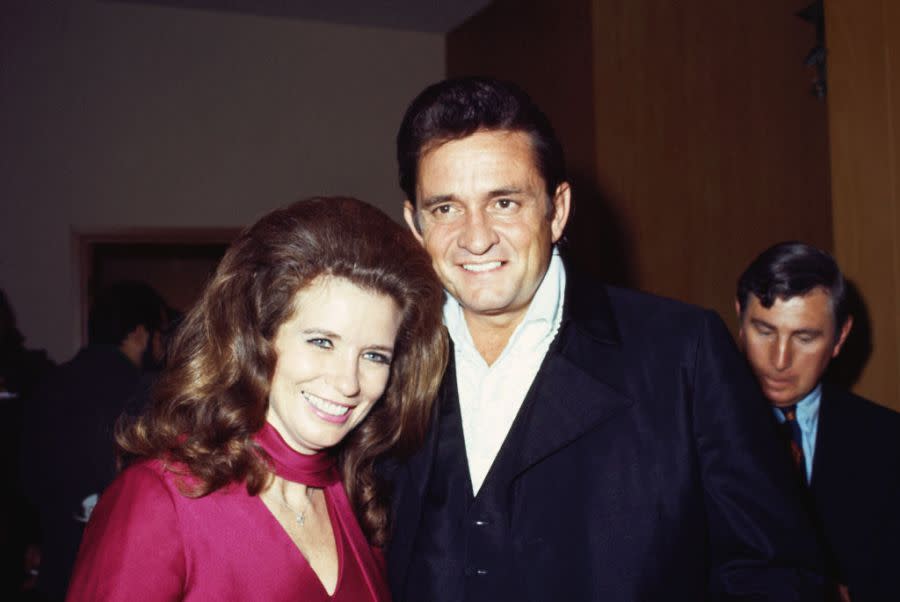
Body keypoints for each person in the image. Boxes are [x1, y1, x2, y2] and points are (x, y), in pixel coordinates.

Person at [385, 76, 823, 601]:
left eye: (504, 203)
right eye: (445, 208)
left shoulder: (682, 354)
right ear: (415, 224)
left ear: (557, 209)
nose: (476, 238)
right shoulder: (382, 365)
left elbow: (774, 572)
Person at [65, 197, 447, 601]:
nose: (348, 382)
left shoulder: (357, 499)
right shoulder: (160, 499)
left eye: (374, 355)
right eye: (321, 341)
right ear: (256, 339)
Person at [736, 241, 900, 602]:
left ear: (840, 337)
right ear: (739, 320)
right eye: (764, 331)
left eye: (804, 337)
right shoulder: (685, 434)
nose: (780, 360)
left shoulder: (890, 443)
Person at [21, 280, 168, 601]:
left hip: (57, 567)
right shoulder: (147, 394)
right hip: (122, 572)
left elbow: (26, 475)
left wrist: (33, 539)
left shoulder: (48, 384)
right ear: (139, 333)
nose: (160, 346)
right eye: (158, 334)